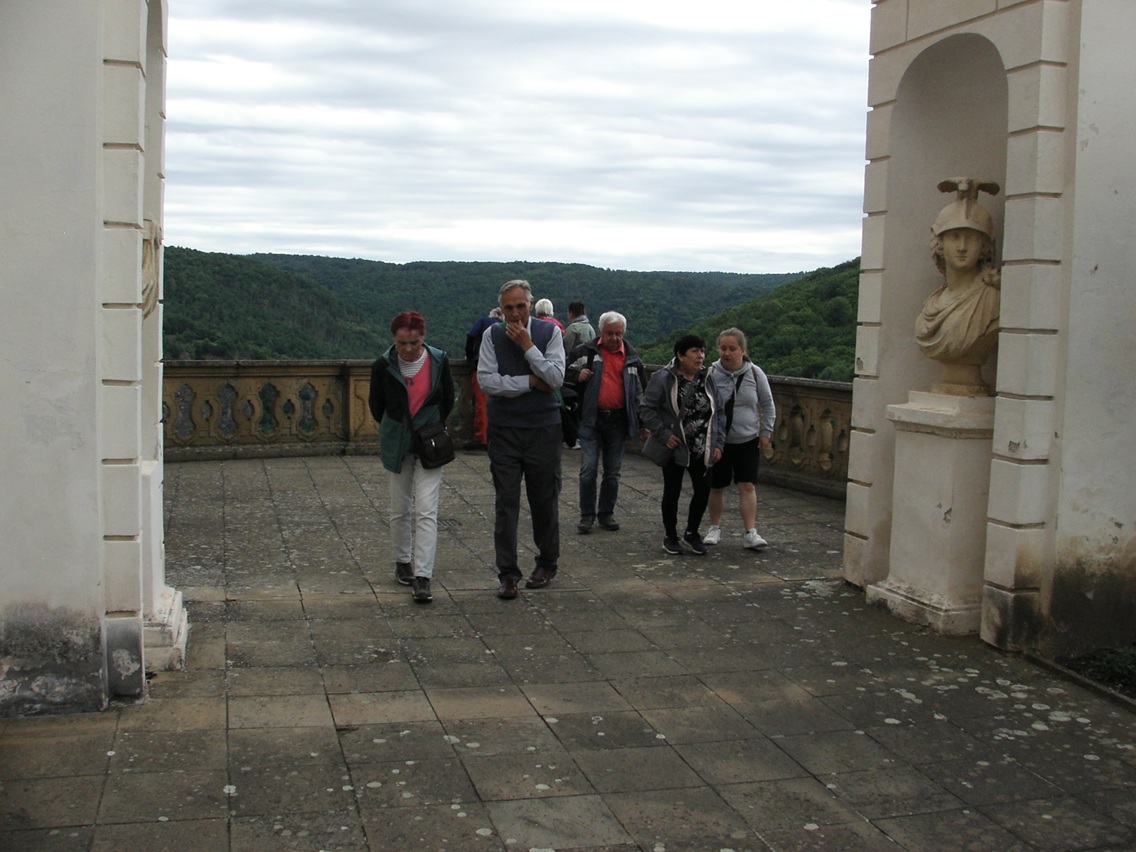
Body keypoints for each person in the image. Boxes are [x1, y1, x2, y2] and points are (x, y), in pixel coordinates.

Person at [478, 279, 566, 599]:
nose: (515, 314)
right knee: (506, 502)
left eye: (520, 306)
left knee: (544, 499)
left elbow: (555, 378)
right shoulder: (492, 336)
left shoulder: (549, 332)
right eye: (508, 308)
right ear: (501, 309)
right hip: (505, 430)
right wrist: (528, 382)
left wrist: (528, 347)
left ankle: (547, 563)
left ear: (530, 305)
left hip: (543, 428)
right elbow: (487, 381)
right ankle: (508, 573)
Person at [368, 311, 455, 603]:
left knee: (427, 509)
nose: (408, 349)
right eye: (402, 343)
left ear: (423, 338)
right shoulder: (382, 366)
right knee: (400, 506)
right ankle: (402, 561)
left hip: (430, 441)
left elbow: (447, 399)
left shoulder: (439, 361)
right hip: (398, 442)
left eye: (414, 343)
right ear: (394, 340)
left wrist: (431, 424)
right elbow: (376, 405)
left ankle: (423, 576)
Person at [638, 333, 726, 556]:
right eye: (695, 351)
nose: (700, 356)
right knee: (672, 490)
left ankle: (692, 532)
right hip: (676, 446)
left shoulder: (707, 378)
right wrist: (663, 434)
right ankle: (670, 535)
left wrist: (718, 443)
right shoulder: (663, 378)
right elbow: (646, 408)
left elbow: (719, 412)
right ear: (680, 355)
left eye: (702, 351)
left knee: (703, 489)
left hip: (702, 445)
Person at [915, 177, 1001, 394]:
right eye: (954, 237)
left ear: (984, 246)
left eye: (971, 238)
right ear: (940, 244)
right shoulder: (932, 304)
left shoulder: (992, 300)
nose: (962, 247)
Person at [566, 311, 646, 534]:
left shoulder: (632, 358)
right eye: (610, 333)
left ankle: (606, 514)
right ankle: (586, 516)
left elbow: (640, 393)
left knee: (612, 471)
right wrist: (578, 376)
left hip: (618, 420)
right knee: (588, 469)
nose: (614, 338)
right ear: (601, 332)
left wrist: (643, 422)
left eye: (618, 333)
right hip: (591, 418)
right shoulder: (584, 352)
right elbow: (562, 374)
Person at [705, 328, 775, 550]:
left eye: (732, 349)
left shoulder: (755, 373)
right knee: (717, 486)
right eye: (723, 348)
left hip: (747, 439)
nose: (727, 353)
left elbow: (768, 404)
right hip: (719, 441)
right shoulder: (711, 373)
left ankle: (750, 532)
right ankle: (714, 527)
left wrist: (766, 433)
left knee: (747, 485)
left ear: (743, 350)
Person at [465, 307, 503, 447]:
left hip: (481, 365)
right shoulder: (505, 327)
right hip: (502, 368)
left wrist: (470, 357)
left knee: (481, 402)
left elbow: (471, 336)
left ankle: (481, 436)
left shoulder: (482, 322)